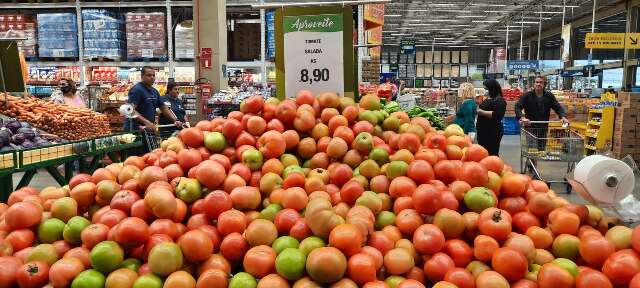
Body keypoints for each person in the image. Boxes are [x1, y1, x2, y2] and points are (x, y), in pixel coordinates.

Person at [515, 76, 568, 151]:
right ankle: (531, 162)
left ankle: (532, 162)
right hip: (530, 127)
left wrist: (563, 117)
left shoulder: (549, 96)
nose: (538, 84)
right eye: (537, 82)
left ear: (544, 84)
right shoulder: (527, 95)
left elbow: (558, 107)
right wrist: (522, 117)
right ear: (534, 84)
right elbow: (517, 107)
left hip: (543, 127)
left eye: (541, 82)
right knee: (532, 151)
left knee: (541, 151)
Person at [125, 66, 182, 132]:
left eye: (153, 75)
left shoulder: (154, 91)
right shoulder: (136, 90)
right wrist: (147, 122)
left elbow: (163, 108)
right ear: (142, 76)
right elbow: (130, 110)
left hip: (148, 129)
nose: (152, 77)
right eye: (149, 75)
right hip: (135, 130)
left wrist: (175, 120)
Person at [476, 79, 507, 156]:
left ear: (492, 88)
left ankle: (493, 167)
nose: (486, 91)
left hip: (492, 132)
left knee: (492, 153)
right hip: (483, 131)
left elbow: (497, 115)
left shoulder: (500, 101)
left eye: (486, 89)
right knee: (483, 153)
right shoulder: (489, 98)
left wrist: (481, 112)